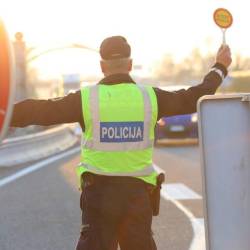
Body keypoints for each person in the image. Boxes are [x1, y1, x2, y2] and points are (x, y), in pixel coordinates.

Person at [10, 36, 232, 250]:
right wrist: (220, 67)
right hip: (137, 198)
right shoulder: (151, 97)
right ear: (130, 64)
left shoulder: (86, 99)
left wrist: (4, 113)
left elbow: (39, 110)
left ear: (102, 66)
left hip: (97, 198)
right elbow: (193, 97)